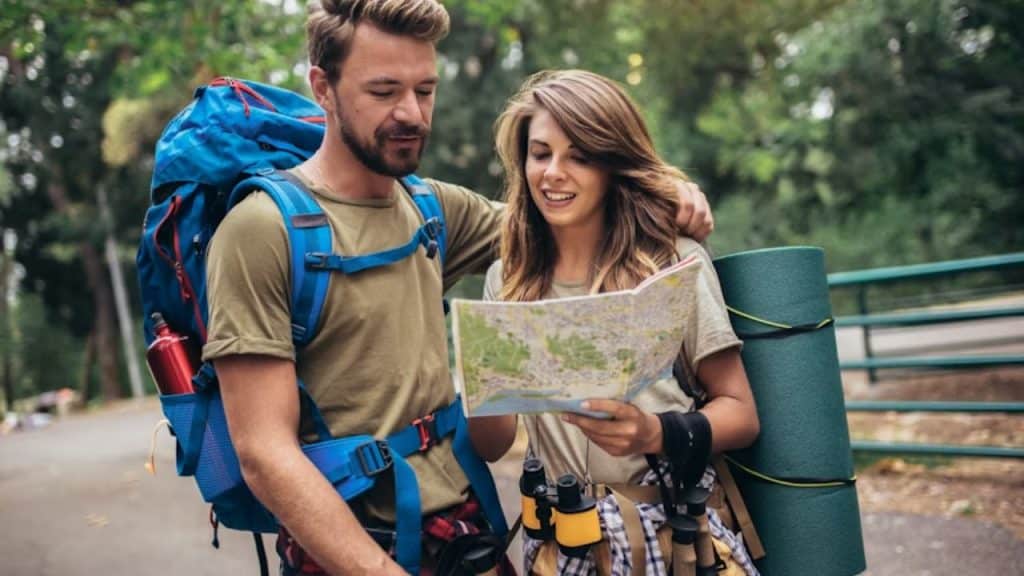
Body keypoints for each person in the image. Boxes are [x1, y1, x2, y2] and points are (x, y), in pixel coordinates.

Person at [204, 2, 714, 575]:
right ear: (323, 87)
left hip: (465, 531)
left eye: (425, 90)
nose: (411, 113)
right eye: (384, 91)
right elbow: (263, 452)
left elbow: (565, 213)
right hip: (351, 544)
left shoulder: (433, 209)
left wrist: (666, 191)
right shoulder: (260, 230)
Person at [468, 70, 761, 576]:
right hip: (561, 547)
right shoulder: (507, 280)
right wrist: (484, 378)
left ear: (612, 165)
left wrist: (653, 433)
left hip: (671, 539)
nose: (553, 173)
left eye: (579, 157)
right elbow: (492, 445)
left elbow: (742, 415)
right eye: (540, 154)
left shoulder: (672, 260)